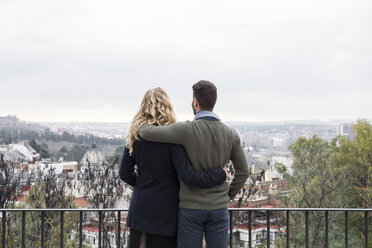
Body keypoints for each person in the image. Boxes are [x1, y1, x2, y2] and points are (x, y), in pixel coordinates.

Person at [137, 80, 249, 248]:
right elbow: (243, 172)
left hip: (190, 208)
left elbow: (146, 132)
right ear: (214, 102)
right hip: (218, 207)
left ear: (195, 102)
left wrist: (142, 118)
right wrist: (228, 196)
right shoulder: (230, 134)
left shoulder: (186, 130)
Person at [119, 87, 227, 248]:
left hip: (140, 209)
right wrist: (220, 174)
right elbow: (189, 177)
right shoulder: (173, 140)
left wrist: (142, 184)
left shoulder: (136, 136)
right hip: (166, 213)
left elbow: (124, 173)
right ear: (167, 107)